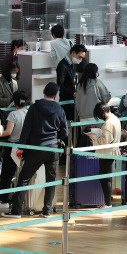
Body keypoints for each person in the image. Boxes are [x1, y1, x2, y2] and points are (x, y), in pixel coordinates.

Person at [2, 83, 68, 218]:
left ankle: (16, 211)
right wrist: (58, 138)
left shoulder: (34, 107)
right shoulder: (59, 109)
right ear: (56, 95)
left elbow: (26, 129)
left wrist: (21, 147)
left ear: (43, 91)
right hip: (53, 148)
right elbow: (65, 132)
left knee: (24, 179)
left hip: (36, 148)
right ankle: (47, 210)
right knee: (51, 180)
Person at [86, 102, 120, 208]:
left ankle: (107, 204)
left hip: (107, 153)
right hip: (112, 152)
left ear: (103, 112)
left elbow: (105, 141)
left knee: (105, 179)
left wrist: (93, 137)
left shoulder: (108, 123)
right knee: (106, 178)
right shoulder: (115, 119)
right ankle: (107, 202)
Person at [0, 91, 29, 208]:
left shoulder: (13, 114)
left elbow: (8, 132)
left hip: (12, 147)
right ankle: (20, 200)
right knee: (22, 175)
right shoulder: (29, 113)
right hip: (26, 147)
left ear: (14, 101)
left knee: (7, 174)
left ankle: (4, 200)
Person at [56, 44, 87, 120]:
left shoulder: (74, 64)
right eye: (80, 57)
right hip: (65, 99)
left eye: (82, 58)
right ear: (73, 53)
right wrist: (72, 93)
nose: (81, 60)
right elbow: (60, 84)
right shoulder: (63, 65)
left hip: (73, 99)